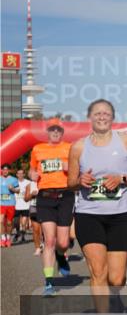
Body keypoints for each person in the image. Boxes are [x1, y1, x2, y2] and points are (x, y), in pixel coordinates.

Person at [67, 99, 127, 310]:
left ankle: (115, 296)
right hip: (88, 214)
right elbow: (70, 184)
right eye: (97, 113)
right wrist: (79, 181)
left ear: (112, 118)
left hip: (120, 215)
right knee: (98, 272)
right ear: (89, 118)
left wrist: (122, 178)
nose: (102, 116)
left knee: (116, 279)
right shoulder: (78, 147)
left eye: (106, 113)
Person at [31, 118, 74, 296]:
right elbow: (32, 170)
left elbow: (78, 168)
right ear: (47, 132)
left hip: (65, 196)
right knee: (49, 240)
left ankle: (60, 255)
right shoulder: (38, 149)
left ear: (62, 132)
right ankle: (49, 283)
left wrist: (69, 166)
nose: (55, 132)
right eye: (52, 130)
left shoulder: (69, 147)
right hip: (46, 197)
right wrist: (32, 173)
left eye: (58, 130)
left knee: (63, 242)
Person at [0, 165, 18, 247]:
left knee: (9, 223)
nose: (5, 171)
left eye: (6, 170)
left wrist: (12, 189)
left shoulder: (14, 179)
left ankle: (8, 238)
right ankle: (3, 238)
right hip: (1, 203)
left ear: (9, 170)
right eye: (3, 170)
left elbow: (18, 191)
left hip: (11, 203)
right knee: (1, 221)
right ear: (1, 170)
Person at [14, 169, 33, 243]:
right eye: (19, 173)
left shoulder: (28, 182)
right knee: (15, 222)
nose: (20, 175)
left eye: (22, 173)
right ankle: (18, 233)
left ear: (24, 174)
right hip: (16, 205)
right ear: (16, 175)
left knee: (24, 222)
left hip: (25, 205)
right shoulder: (14, 182)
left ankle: (22, 236)